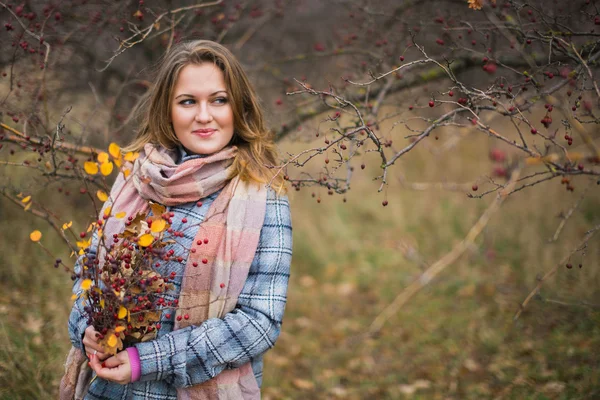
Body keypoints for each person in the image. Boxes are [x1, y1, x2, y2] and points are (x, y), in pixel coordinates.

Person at [61, 40, 293, 400]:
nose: (204, 115)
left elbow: (259, 323)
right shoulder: (135, 178)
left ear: (238, 106)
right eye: (188, 101)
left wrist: (146, 361)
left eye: (219, 100)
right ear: (167, 110)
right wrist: (86, 329)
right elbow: (87, 275)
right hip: (107, 390)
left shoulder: (263, 193)